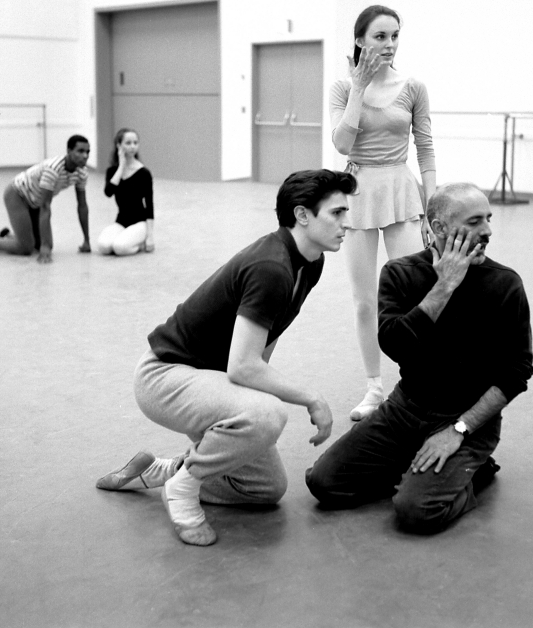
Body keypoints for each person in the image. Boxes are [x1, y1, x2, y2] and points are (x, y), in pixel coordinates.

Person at [96, 169, 356, 546]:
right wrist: (310, 398)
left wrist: (249, 394)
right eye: (337, 213)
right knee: (268, 414)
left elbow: (257, 357)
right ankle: (182, 490)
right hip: (165, 376)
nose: (347, 223)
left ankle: (164, 471)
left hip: (205, 379)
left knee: (264, 487)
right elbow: (243, 367)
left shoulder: (309, 264)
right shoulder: (272, 268)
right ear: (302, 215)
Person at [306, 183, 533, 534]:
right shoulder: (400, 274)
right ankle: (421, 466)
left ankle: (474, 470)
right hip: (405, 408)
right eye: (474, 222)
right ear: (439, 228)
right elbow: (396, 345)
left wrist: (460, 430)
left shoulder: (505, 285)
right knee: (324, 483)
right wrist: (445, 286)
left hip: (464, 418)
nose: (487, 231)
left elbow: (517, 372)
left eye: (488, 219)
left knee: (415, 512)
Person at [331, 4, 437, 421]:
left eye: (394, 36)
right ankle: (374, 387)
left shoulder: (413, 87)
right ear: (360, 40)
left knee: (413, 292)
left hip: (400, 190)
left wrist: (434, 206)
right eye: (380, 36)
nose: (389, 44)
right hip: (357, 190)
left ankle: (417, 380)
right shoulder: (342, 89)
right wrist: (359, 86)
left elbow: (426, 149)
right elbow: (341, 144)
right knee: (364, 302)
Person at [0, 135, 91, 263]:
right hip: (18, 194)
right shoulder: (53, 169)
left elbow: (82, 206)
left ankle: (8, 236)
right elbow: (45, 206)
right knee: (26, 248)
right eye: (80, 151)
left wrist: (86, 241)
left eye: (87, 152)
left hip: (36, 201)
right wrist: (45, 247)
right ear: (69, 151)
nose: (85, 156)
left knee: (40, 245)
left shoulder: (82, 173)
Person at [96, 129, 155, 256]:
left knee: (119, 248)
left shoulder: (144, 173)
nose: (133, 146)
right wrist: (121, 166)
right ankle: (127, 238)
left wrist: (150, 236)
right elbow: (108, 192)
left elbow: (149, 205)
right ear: (119, 145)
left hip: (140, 222)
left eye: (135, 143)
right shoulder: (112, 171)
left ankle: (139, 243)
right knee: (103, 247)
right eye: (128, 143)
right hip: (121, 221)